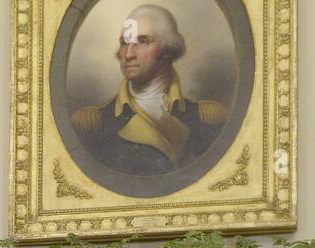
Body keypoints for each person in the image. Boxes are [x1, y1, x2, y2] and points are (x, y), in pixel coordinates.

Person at [72, 4, 228, 176]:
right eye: (125, 43)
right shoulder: (94, 123)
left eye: (143, 41)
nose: (128, 54)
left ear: (167, 49)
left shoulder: (206, 118)